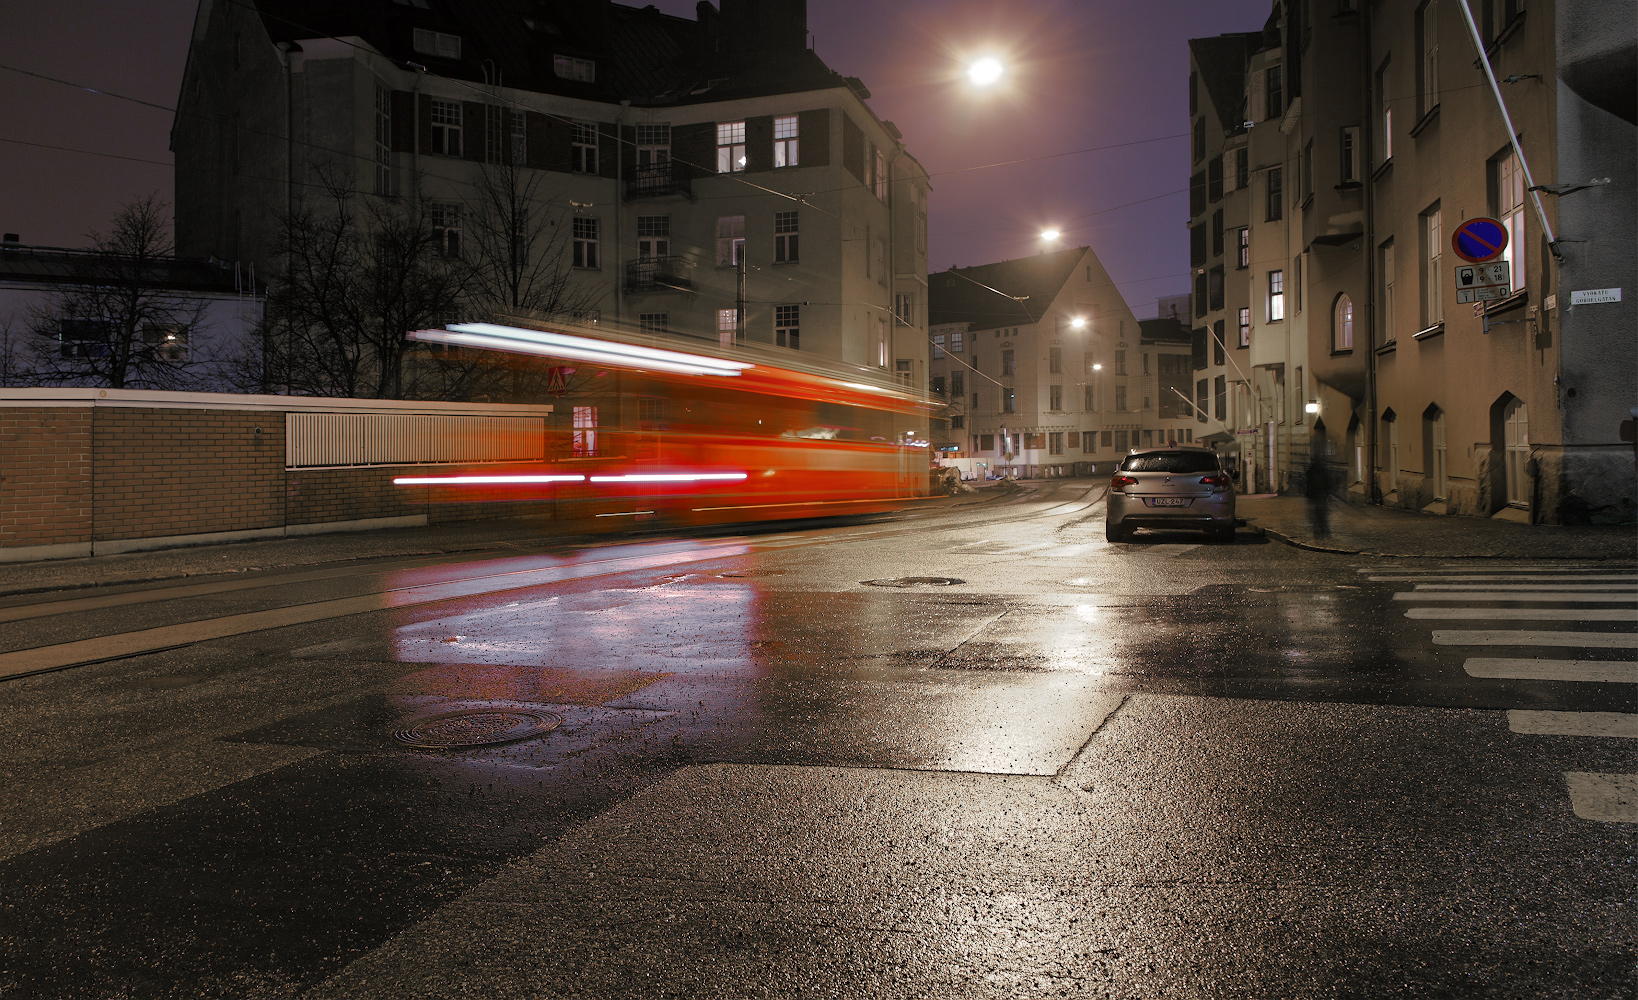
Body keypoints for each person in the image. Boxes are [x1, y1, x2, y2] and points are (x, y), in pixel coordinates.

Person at [1305, 452, 1332, 537]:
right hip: (1320, 495)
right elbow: (1328, 482)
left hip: (1316, 495)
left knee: (1317, 513)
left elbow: (1308, 484)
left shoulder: (1311, 471)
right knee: (1322, 513)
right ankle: (1324, 530)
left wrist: (1308, 494)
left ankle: (1319, 530)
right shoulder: (1322, 470)